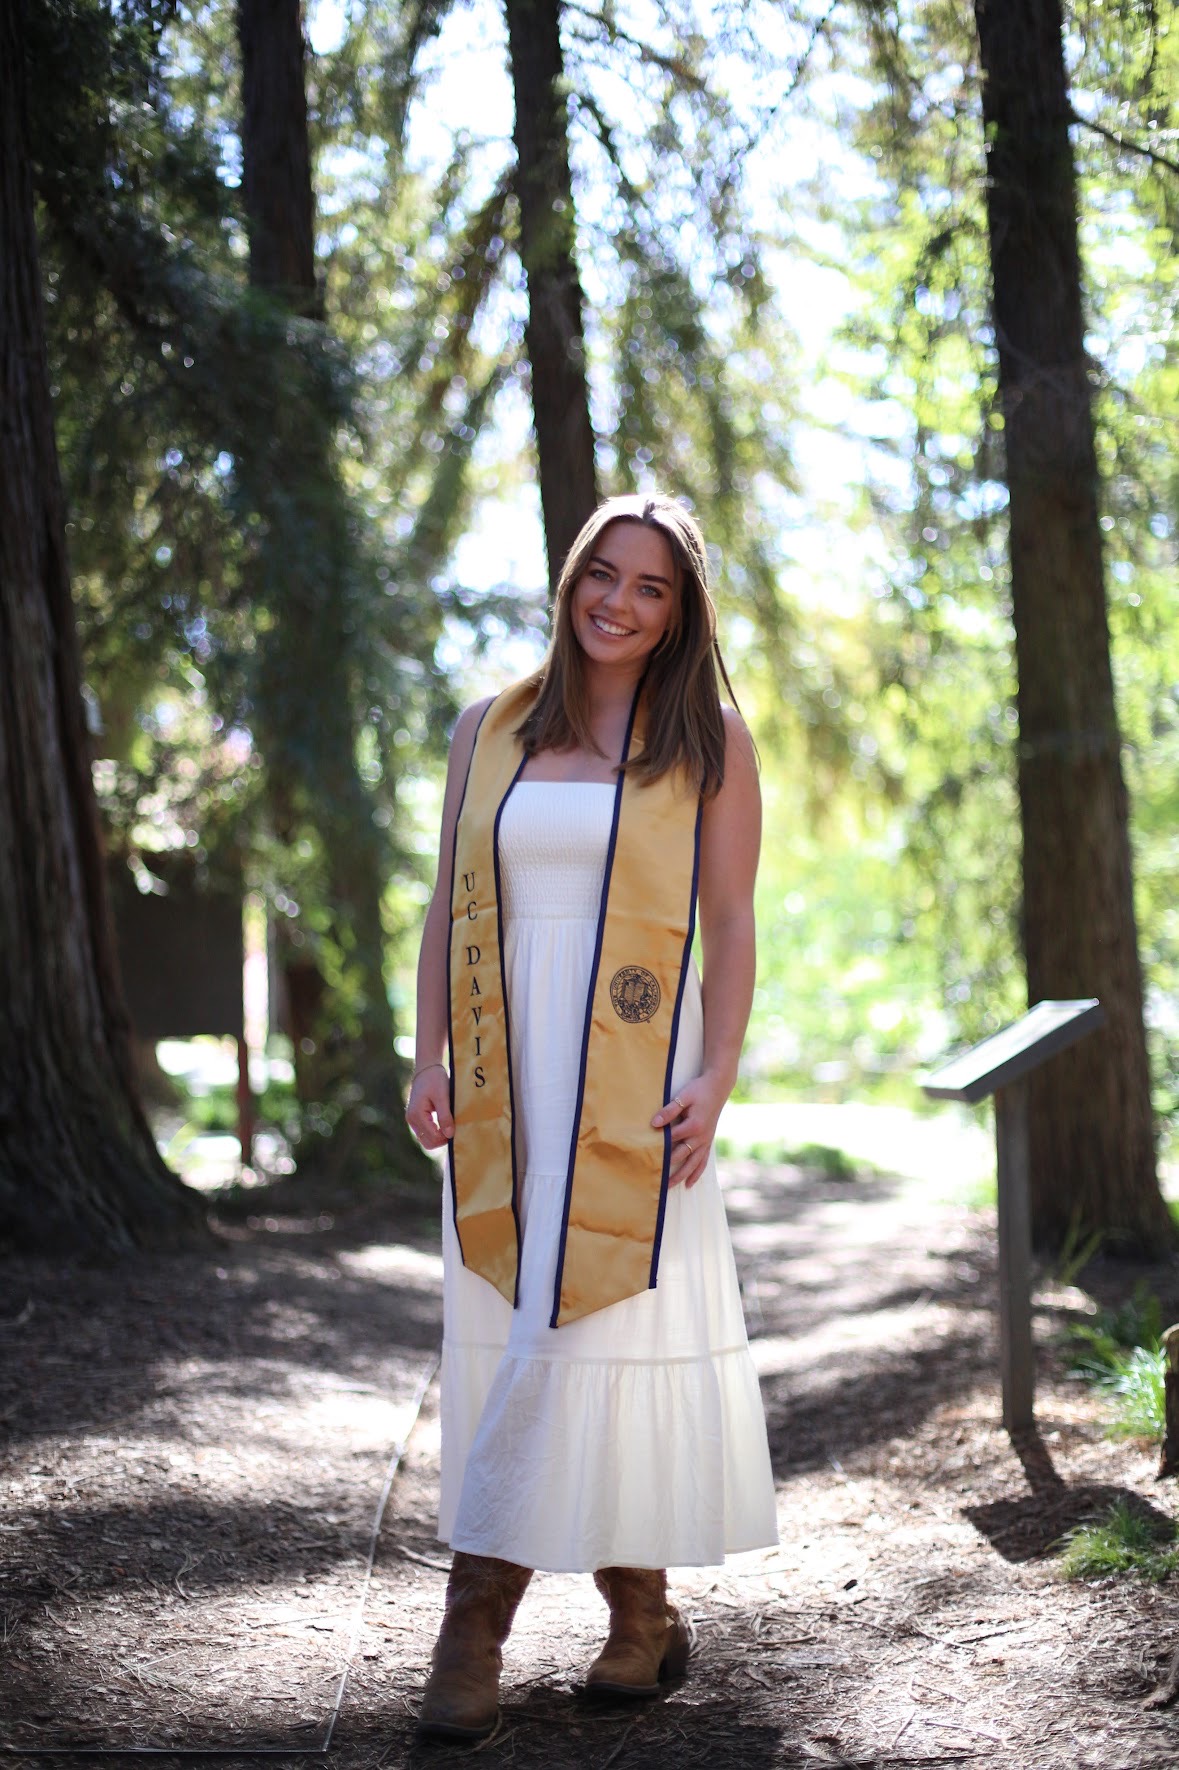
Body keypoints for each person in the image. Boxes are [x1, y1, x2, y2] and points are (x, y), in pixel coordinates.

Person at [405, 493, 777, 1740]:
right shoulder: (491, 729)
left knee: (600, 1321)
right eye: (600, 576)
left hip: (636, 1069)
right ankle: (645, 1614)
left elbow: (730, 921)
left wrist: (719, 1070)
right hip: (510, 1070)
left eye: (650, 587)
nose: (618, 602)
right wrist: (428, 1056)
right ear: (569, 583)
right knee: (531, 1316)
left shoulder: (711, 740)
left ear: (682, 612)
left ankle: (477, 1621)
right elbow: (445, 904)